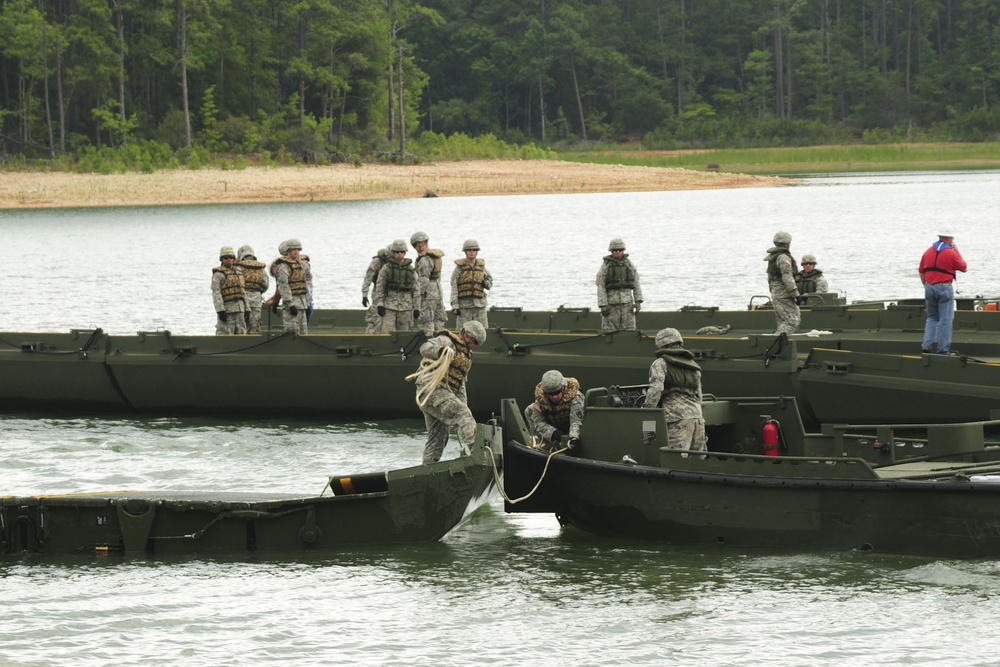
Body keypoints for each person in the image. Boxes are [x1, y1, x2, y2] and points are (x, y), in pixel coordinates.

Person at [408, 320, 488, 464]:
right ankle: (479, 454)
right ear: (465, 334)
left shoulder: (464, 356)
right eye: (473, 340)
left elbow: (459, 385)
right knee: (462, 414)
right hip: (432, 390)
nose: (474, 345)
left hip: (440, 395)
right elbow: (425, 348)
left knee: (438, 437)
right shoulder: (447, 342)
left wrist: (464, 406)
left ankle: (428, 470)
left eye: (477, 343)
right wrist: (440, 351)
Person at [643, 327, 707, 452]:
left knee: (675, 458)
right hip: (697, 418)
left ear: (661, 345)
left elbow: (656, 389)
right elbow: (699, 395)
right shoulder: (693, 365)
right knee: (697, 460)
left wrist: (646, 411)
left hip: (676, 419)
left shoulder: (660, 363)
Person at [919, 230, 967, 354]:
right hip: (944, 286)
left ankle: (926, 346)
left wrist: (926, 285)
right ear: (947, 239)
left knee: (932, 318)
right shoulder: (951, 253)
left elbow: (921, 270)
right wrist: (956, 250)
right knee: (945, 320)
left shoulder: (928, 252)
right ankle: (942, 350)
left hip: (929, 287)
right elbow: (964, 267)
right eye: (951, 238)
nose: (953, 241)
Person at [524, 370, 584, 451]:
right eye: (551, 394)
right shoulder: (541, 399)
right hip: (553, 429)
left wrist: (574, 438)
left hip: (570, 427)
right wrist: (554, 433)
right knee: (530, 410)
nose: (555, 397)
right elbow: (538, 422)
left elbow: (576, 421)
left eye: (557, 392)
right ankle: (546, 445)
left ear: (563, 388)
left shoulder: (575, 396)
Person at [373, 239, 420, 333]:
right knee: (386, 332)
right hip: (389, 307)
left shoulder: (410, 270)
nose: (399, 254)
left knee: (404, 334)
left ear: (405, 253)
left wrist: (417, 308)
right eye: (397, 252)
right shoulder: (386, 268)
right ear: (393, 253)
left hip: (406, 307)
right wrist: (380, 304)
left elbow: (416, 290)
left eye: (402, 252)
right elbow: (380, 287)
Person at [596, 238, 643, 333]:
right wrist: (603, 305)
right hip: (611, 306)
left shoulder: (629, 265)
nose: (618, 252)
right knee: (609, 332)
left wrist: (638, 301)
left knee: (630, 331)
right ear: (611, 251)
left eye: (620, 250)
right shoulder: (605, 266)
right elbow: (600, 286)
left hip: (627, 306)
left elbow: (636, 283)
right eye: (615, 250)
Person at [450, 239, 493, 328]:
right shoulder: (459, 268)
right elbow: (454, 286)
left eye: (474, 250)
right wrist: (455, 305)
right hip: (464, 307)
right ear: (465, 252)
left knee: (482, 330)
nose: (471, 252)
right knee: (463, 331)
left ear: (477, 252)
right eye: (469, 250)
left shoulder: (481, 267)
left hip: (480, 306)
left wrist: (486, 283)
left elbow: (490, 281)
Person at [765, 231, 801, 335]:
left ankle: (778, 346)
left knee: (782, 322)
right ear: (787, 243)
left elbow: (770, 278)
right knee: (793, 321)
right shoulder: (784, 257)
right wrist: (795, 294)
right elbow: (787, 277)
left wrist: (773, 292)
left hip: (776, 293)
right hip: (784, 294)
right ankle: (775, 341)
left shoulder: (773, 257)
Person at [411, 231, 447, 336]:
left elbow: (423, 280)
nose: (415, 248)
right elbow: (437, 277)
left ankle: (428, 345)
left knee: (426, 322)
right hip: (437, 291)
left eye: (415, 245)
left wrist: (417, 297)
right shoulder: (436, 257)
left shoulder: (424, 259)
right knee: (439, 321)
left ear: (420, 243)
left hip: (428, 294)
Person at [275, 238, 313, 334]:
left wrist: (308, 298)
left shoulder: (302, 264)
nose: (296, 251)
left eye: (298, 249)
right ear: (288, 250)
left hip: (303, 302)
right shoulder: (284, 266)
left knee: (303, 331)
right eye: (294, 249)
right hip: (291, 305)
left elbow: (308, 279)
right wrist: (290, 304)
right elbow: (284, 286)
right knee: (292, 332)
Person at [211, 246, 248, 335]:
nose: (229, 260)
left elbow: (243, 292)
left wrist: (247, 309)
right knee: (225, 333)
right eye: (226, 258)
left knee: (241, 333)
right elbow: (216, 293)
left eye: (231, 257)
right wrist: (220, 310)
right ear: (222, 259)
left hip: (240, 310)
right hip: (227, 310)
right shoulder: (218, 275)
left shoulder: (238, 273)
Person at [362, 244, 393, 333]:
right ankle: (371, 335)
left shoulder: (396, 262)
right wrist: (364, 295)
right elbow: (368, 278)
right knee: (375, 316)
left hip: (392, 293)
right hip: (378, 291)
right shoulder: (377, 261)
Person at [237, 245, 268, 334]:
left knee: (241, 328)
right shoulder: (260, 268)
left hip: (240, 302)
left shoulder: (238, 267)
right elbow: (265, 284)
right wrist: (257, 291)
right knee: (254, 327)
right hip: (256, 301)